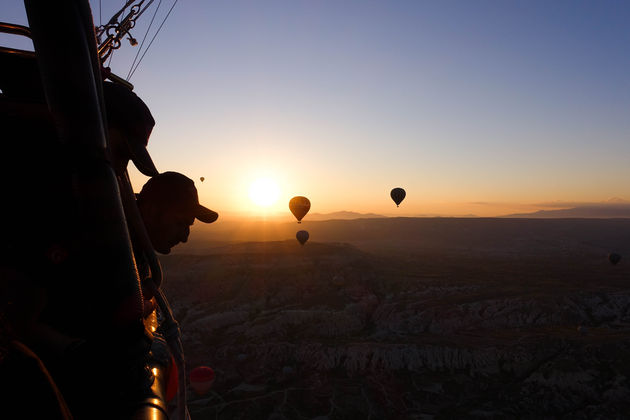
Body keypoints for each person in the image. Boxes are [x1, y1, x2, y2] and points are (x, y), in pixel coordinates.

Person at [136, 172, 218, 254]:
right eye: (180, 223)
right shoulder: (124, 257)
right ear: (150, 211)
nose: (184, 238)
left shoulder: (133, 252)